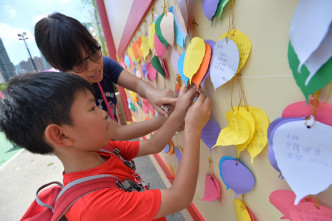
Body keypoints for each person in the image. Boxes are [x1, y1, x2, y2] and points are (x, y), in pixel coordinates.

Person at [0, 72, 211, 220]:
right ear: (61, 135)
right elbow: (179, 197)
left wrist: (179, 112)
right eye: (92, 108)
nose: (104, 113)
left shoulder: (103, 150)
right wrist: (193, 129)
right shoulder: (93, 206)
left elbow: (155, 144)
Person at [34, 12, 177, 123]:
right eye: (79, 64)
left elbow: (138, 84)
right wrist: (168, 121)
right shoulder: (67, 96)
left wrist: (154, 94)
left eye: (94, 53)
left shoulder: (105, 64)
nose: (94, 66)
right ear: (60, 68)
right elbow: (117, 133)